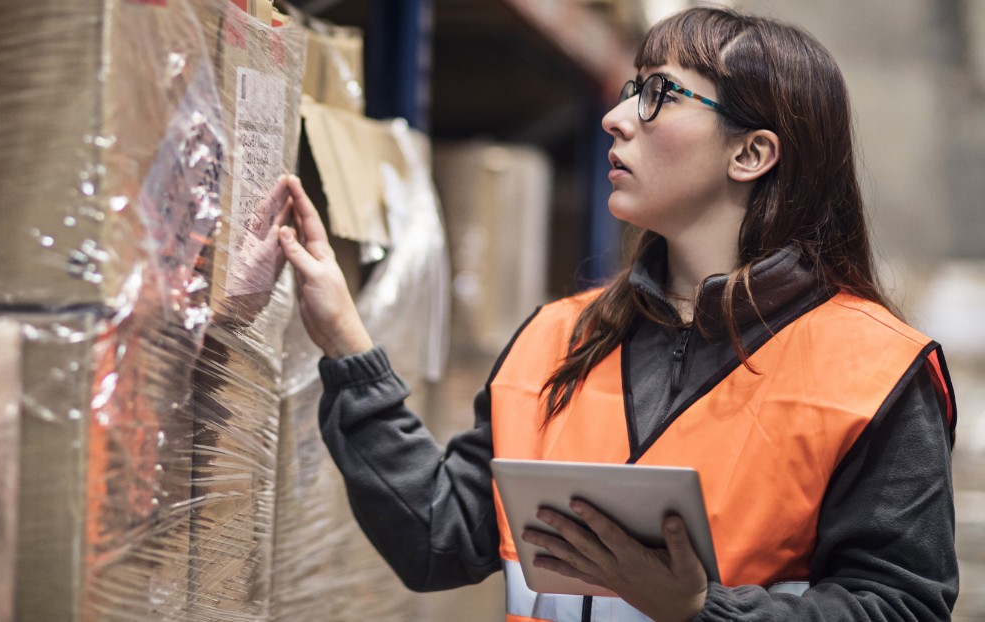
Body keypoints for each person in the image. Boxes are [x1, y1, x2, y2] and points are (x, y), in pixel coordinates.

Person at [274, 7, 958, 622]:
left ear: (751, 153)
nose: (618, 116)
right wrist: (345, 342)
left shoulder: (874, 373)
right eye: (632, 87)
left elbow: (902, 606)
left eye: (658, 93)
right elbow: (437, 539)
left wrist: (699, 611)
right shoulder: (556, 341)